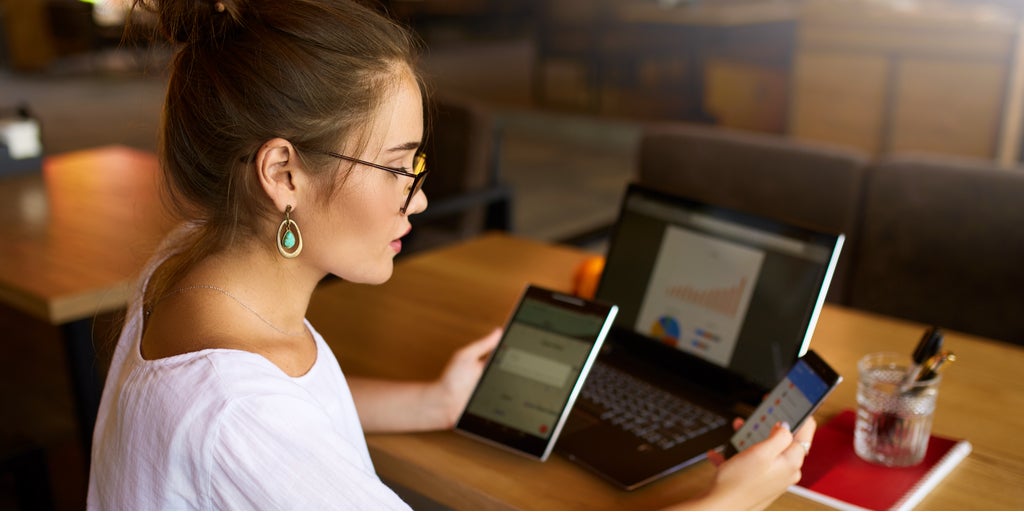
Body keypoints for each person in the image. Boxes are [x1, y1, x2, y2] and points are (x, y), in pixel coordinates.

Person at [87, 0, 815, 509]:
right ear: (282, 174)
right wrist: (728, 503)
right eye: (399, 167)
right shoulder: (233, 414)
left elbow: (293, 415)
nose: (420, 198)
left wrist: (435, 402)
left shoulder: (191, 266)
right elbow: (253, 425)